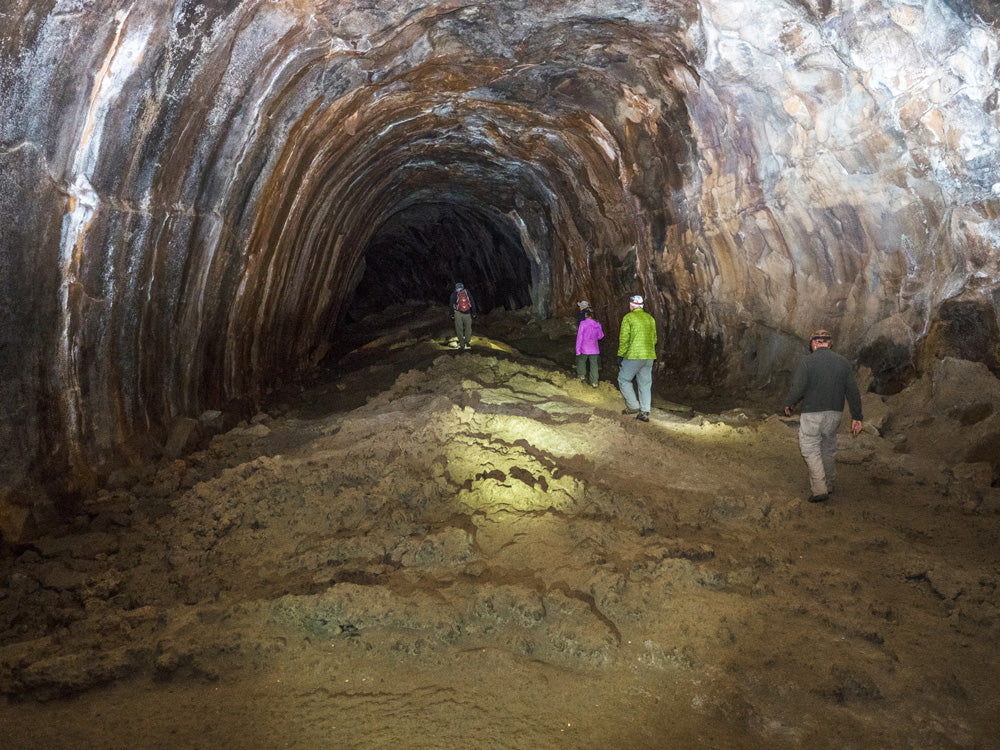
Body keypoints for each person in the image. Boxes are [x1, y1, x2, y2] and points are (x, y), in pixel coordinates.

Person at [783, 328, 864, 503]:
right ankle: (829, 483)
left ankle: (820, 489)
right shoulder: (843, 363)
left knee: (810, 447)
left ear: (813, 343)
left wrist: (789, 403)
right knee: (827, 447)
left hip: (812, 412)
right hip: (834, 413)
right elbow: (853, 392)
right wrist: (857, 417)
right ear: (829, 343)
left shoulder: (807, 362)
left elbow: (798, 387)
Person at [617, 294, 657, 422]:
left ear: (631, 305)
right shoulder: (650, 318)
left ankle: (633, 406)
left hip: (634, 355)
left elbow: (624, 338)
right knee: (645, 384)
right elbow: (654, 339)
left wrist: (620, 354)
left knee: (623, 379)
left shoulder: (629, 318)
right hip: (649, 356)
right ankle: (645, 411)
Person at [576, 308, 604, 387]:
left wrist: (578, 350)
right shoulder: (597, 324)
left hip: (584, 348)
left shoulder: (583, 323)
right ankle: (594, 382)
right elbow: (600, 336)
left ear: (586, 315)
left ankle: (581, 376)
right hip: (594, 348)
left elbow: (579, 337)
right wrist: (599, 327)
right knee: (594, 365)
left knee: (581, 361)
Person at [449, 283, 476, 350]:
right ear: (463, 287)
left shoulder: (454, 294)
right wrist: (474, 312)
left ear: (456, 288)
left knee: (459, 329)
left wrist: (452, 314)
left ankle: (462, 345)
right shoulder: (467, 292)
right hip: (467, 313)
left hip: (458, 313)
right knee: (468, 328)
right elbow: (472, 302)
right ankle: (467, 342)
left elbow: (451, 304)